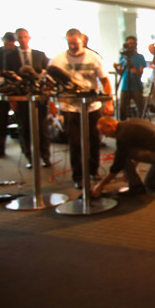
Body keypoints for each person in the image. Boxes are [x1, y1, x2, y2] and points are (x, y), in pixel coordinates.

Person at [50, 28, 114, 189]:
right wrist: (52, 104)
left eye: (75, 43)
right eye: (69, 43)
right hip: (70, 108)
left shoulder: (93, 58)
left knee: (94, 140)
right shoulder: (58, 60)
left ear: (82, 41)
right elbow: (49, 85)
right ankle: (78, 175)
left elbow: (105, 81)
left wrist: (109, 102)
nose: (72, 46)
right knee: (75, 143)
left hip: (92, 106)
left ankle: (93, 171)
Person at [92, 116, 155, 197]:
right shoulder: (130, 123)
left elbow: (117, 165)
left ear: (110, 125)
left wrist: (100, 186)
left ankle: (135, 186)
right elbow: (141, 146)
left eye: (104, 132)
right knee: (149, 182)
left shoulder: (123, 135)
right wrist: (131, 170)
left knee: (120, 154)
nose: (106, 136)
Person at [4, 28, 51, 168]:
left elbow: (47, 76)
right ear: (16, 40)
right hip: (21, 99)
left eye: (25, 36)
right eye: (20, 37)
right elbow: (8, 79)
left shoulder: (40, 55)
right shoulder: (10, 57)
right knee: (24, 129)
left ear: (29, 37)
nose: (23, 39)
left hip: (39, 98)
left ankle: (45, 157)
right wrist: (12, 99)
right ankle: (30, 158)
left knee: (42, 129)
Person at [114, 35, 146, 121]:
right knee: (122, 109)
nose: (130, 45)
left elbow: (140, 73)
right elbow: (121, 73)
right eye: (128, 43)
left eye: (132, 43)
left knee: (140, 108)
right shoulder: (123, 57)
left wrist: (134, 70)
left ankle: (142, 125)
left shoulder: (140, 57)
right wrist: (116, 68)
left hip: (136, 86)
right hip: (125, 86)